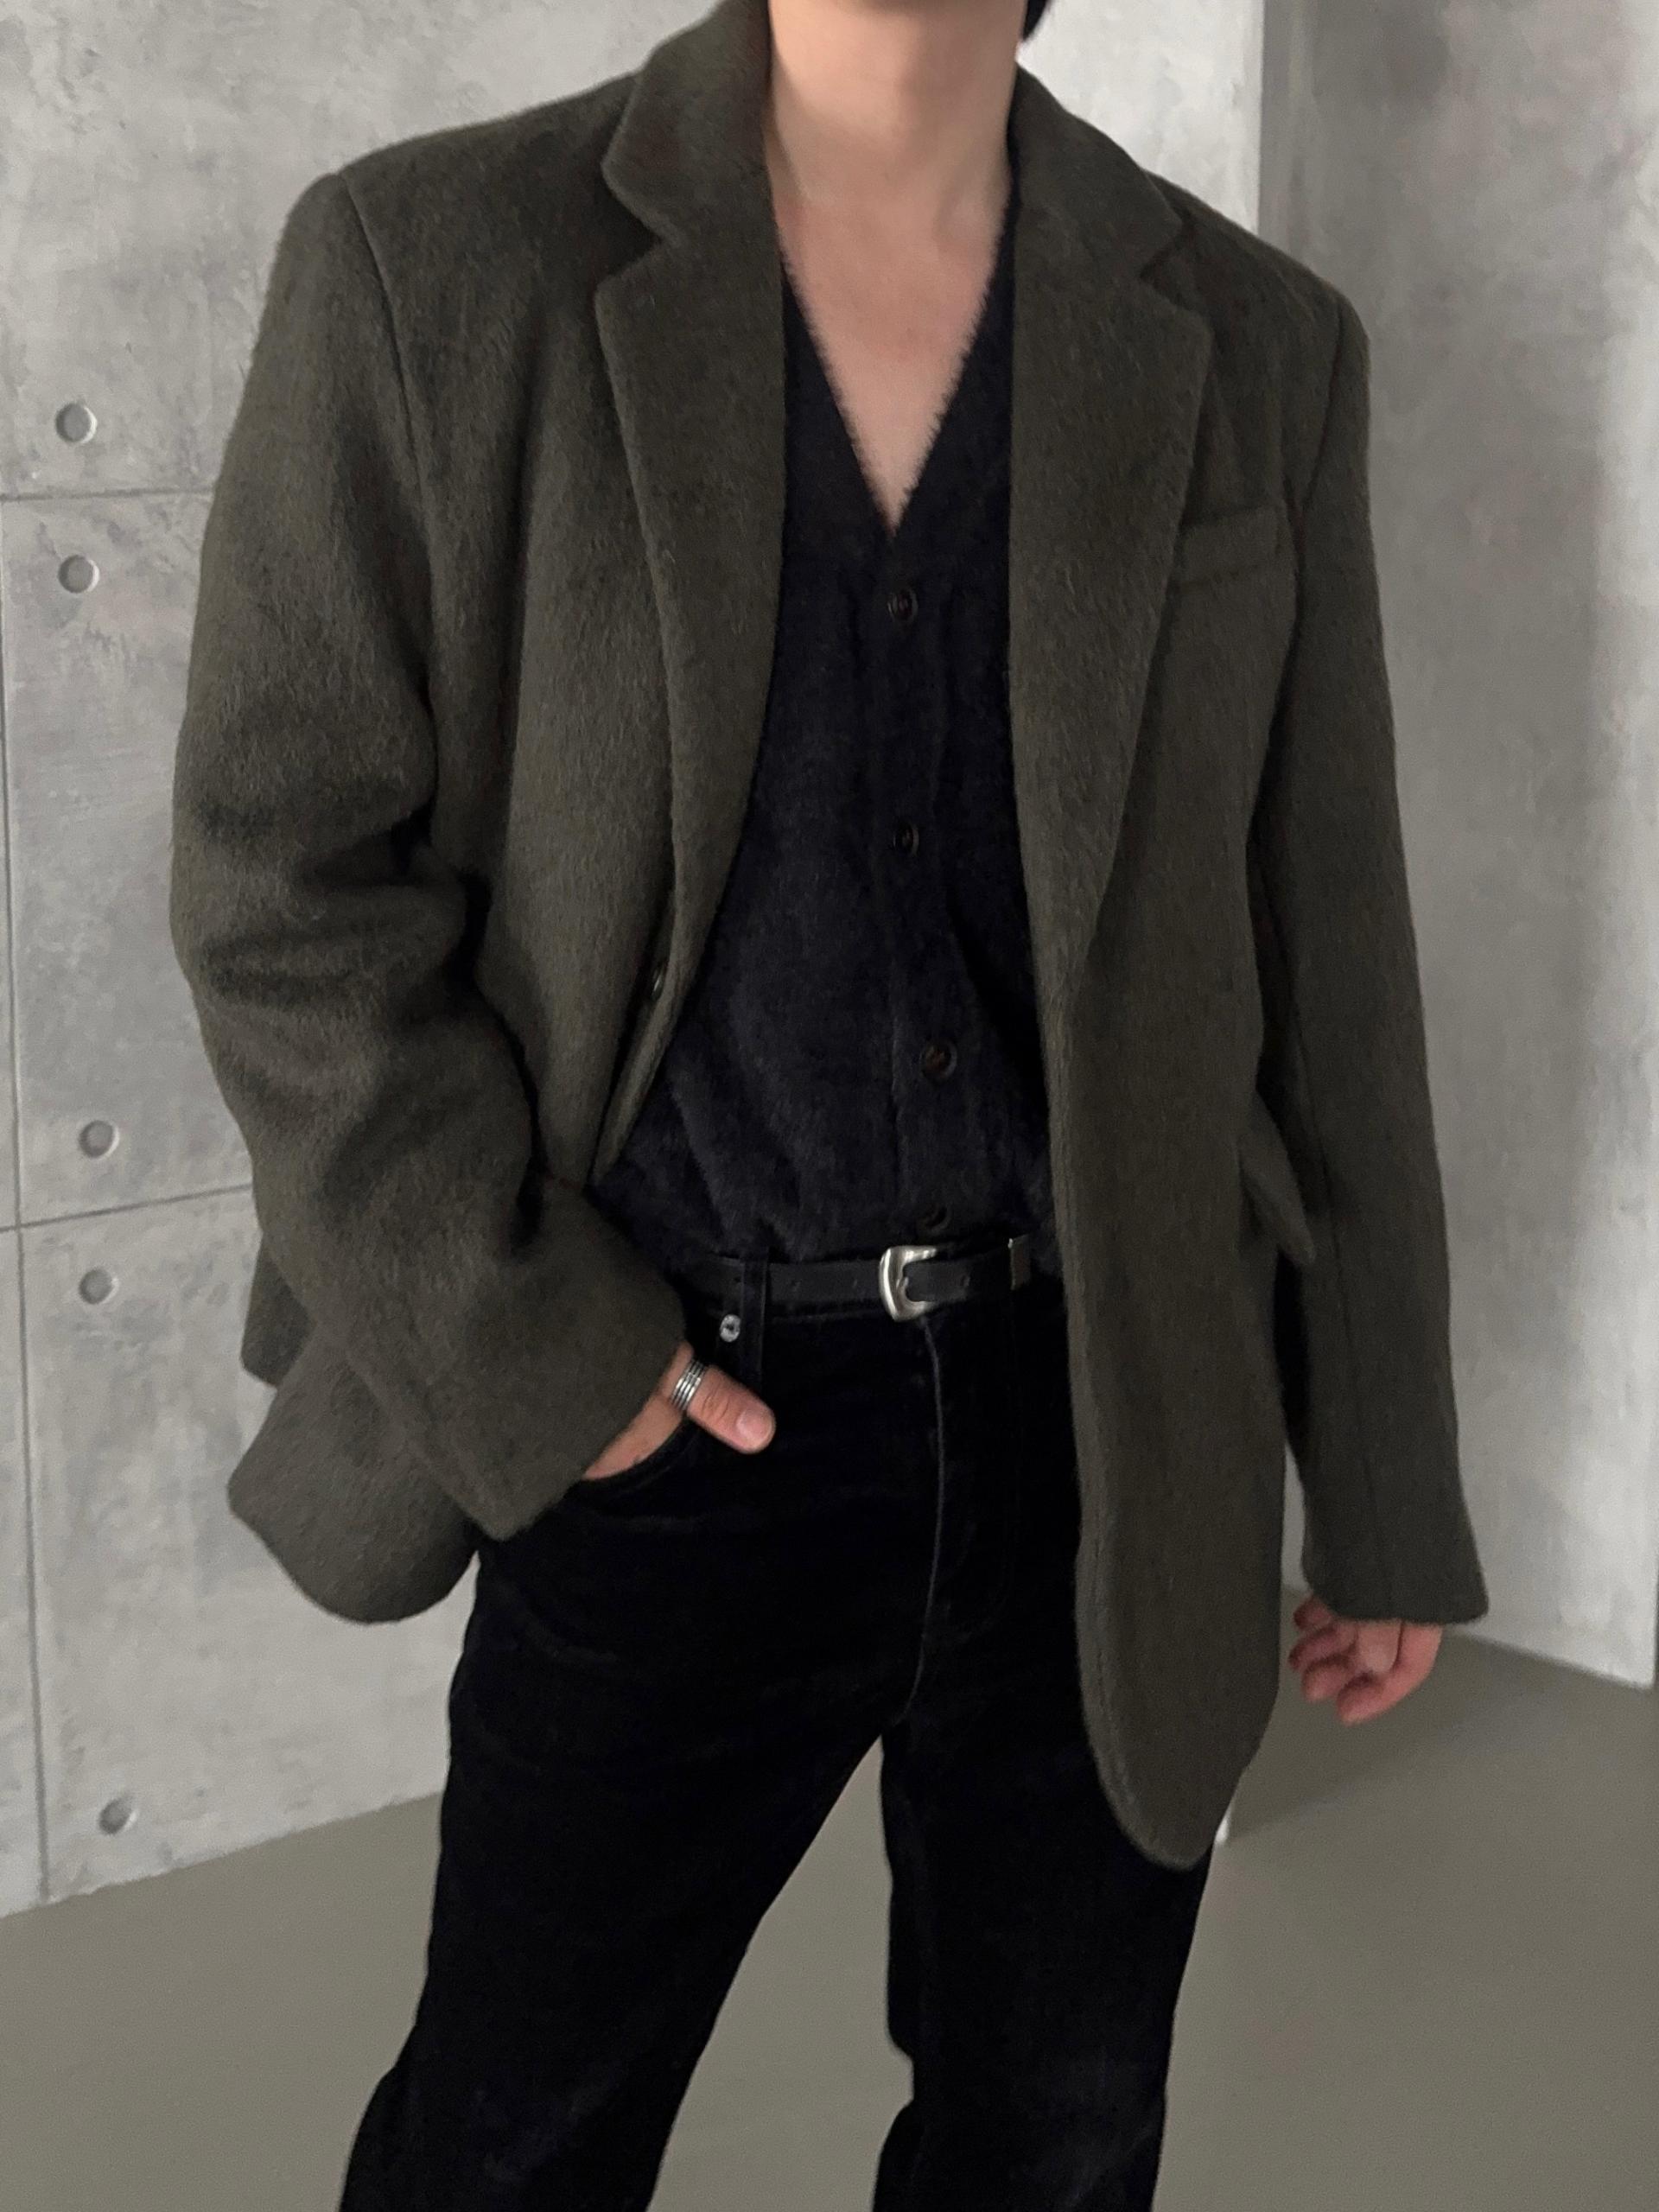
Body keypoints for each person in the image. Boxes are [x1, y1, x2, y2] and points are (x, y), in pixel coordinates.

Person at [168, 0, 1491, 2202]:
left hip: (1109, 1423)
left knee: (1054, 2141)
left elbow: (1326, 957)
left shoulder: (1262, 346)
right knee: (511, 2144)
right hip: (663, 1407)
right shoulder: (437, 266)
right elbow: (281, 888)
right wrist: (548, 1358)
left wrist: (1378, 1481)